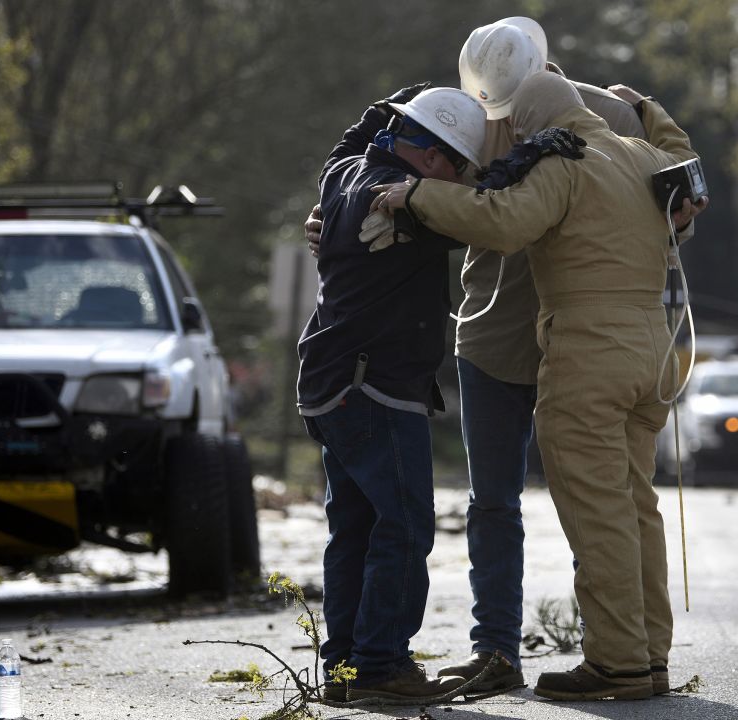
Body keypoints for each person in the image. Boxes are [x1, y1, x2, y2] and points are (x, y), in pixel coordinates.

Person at [303, 16, 706, 697]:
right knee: (526, 503)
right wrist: (340, 217)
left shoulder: (588, 120)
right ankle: (520, 651)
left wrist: (417, 197)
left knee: (595, 504)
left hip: (574, 338)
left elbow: (669, 202)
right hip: (507, 335)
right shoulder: (465, 112)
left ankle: (620, 657)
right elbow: (674, 191)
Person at [296, 83, 486, 703]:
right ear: (431, 161)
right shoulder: (408, 202)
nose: (459, 179)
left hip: (331, 382)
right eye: (457, 164)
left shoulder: (344, 173)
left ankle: (345, 671)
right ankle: (381, 668)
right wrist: (531, 155)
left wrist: (397, 103)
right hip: (373, 384)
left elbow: (347, 142)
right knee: (403, 528)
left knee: (354, 529)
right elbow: (490, 207)